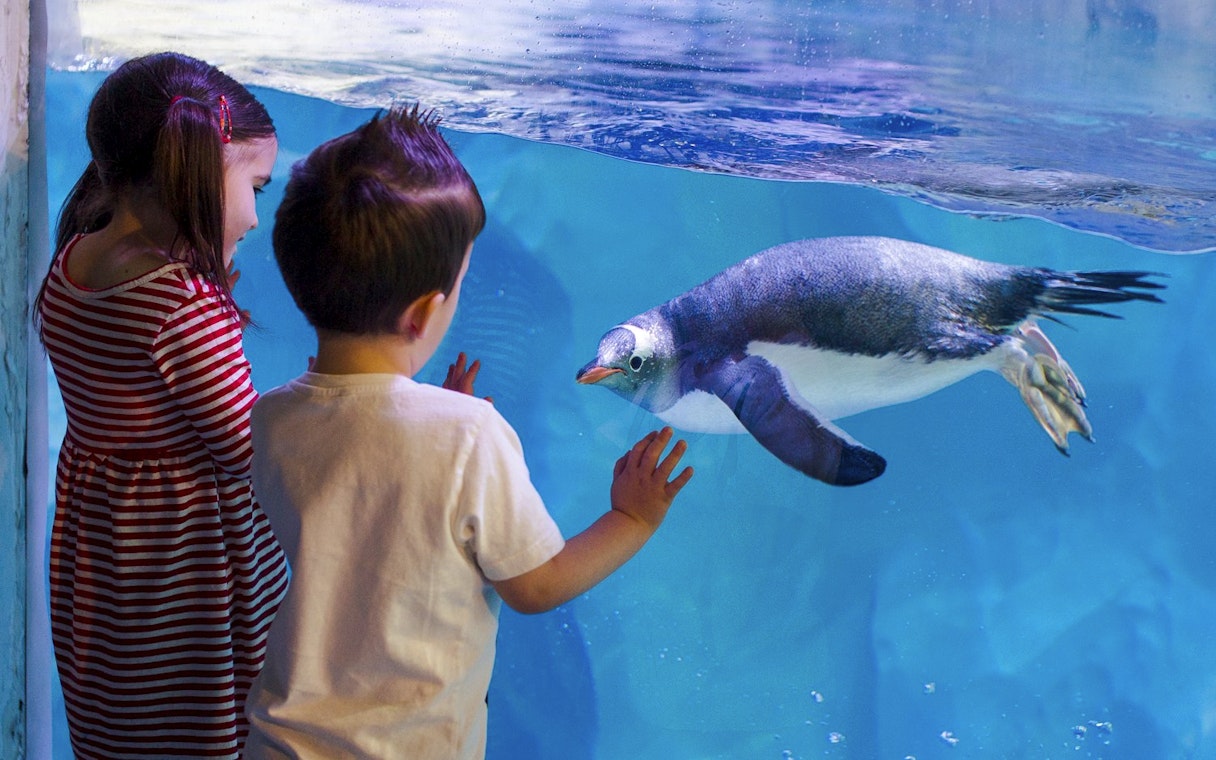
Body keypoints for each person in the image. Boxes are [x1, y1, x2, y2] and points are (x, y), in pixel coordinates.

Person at [242, 106, 695, 759]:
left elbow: (354, 511)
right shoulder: (467, 435)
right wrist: (632, 519)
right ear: (431, 310)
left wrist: (434, 422)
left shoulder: (273, 417)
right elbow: (534, 587)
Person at [34, 52, 289, 759]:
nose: (256, 218)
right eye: (255, 186)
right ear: (198, 172)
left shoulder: (73, 262)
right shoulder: (181, 303)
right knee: (206, 723)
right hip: (188, 561)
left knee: (128, 718)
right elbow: (245, 450)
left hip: (107, 548)